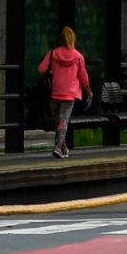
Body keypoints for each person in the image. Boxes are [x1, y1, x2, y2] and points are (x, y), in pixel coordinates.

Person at [37, 26, 92, 159]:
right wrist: (89, 91)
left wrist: (53, 71)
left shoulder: (53, 53)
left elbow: (41, 69)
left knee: (59, 123)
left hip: (55, 94)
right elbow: (83, 77)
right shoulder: (78, 56)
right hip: (70, 95)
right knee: (63, 122)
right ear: (73, 39)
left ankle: (63, 148)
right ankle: (57, 147)